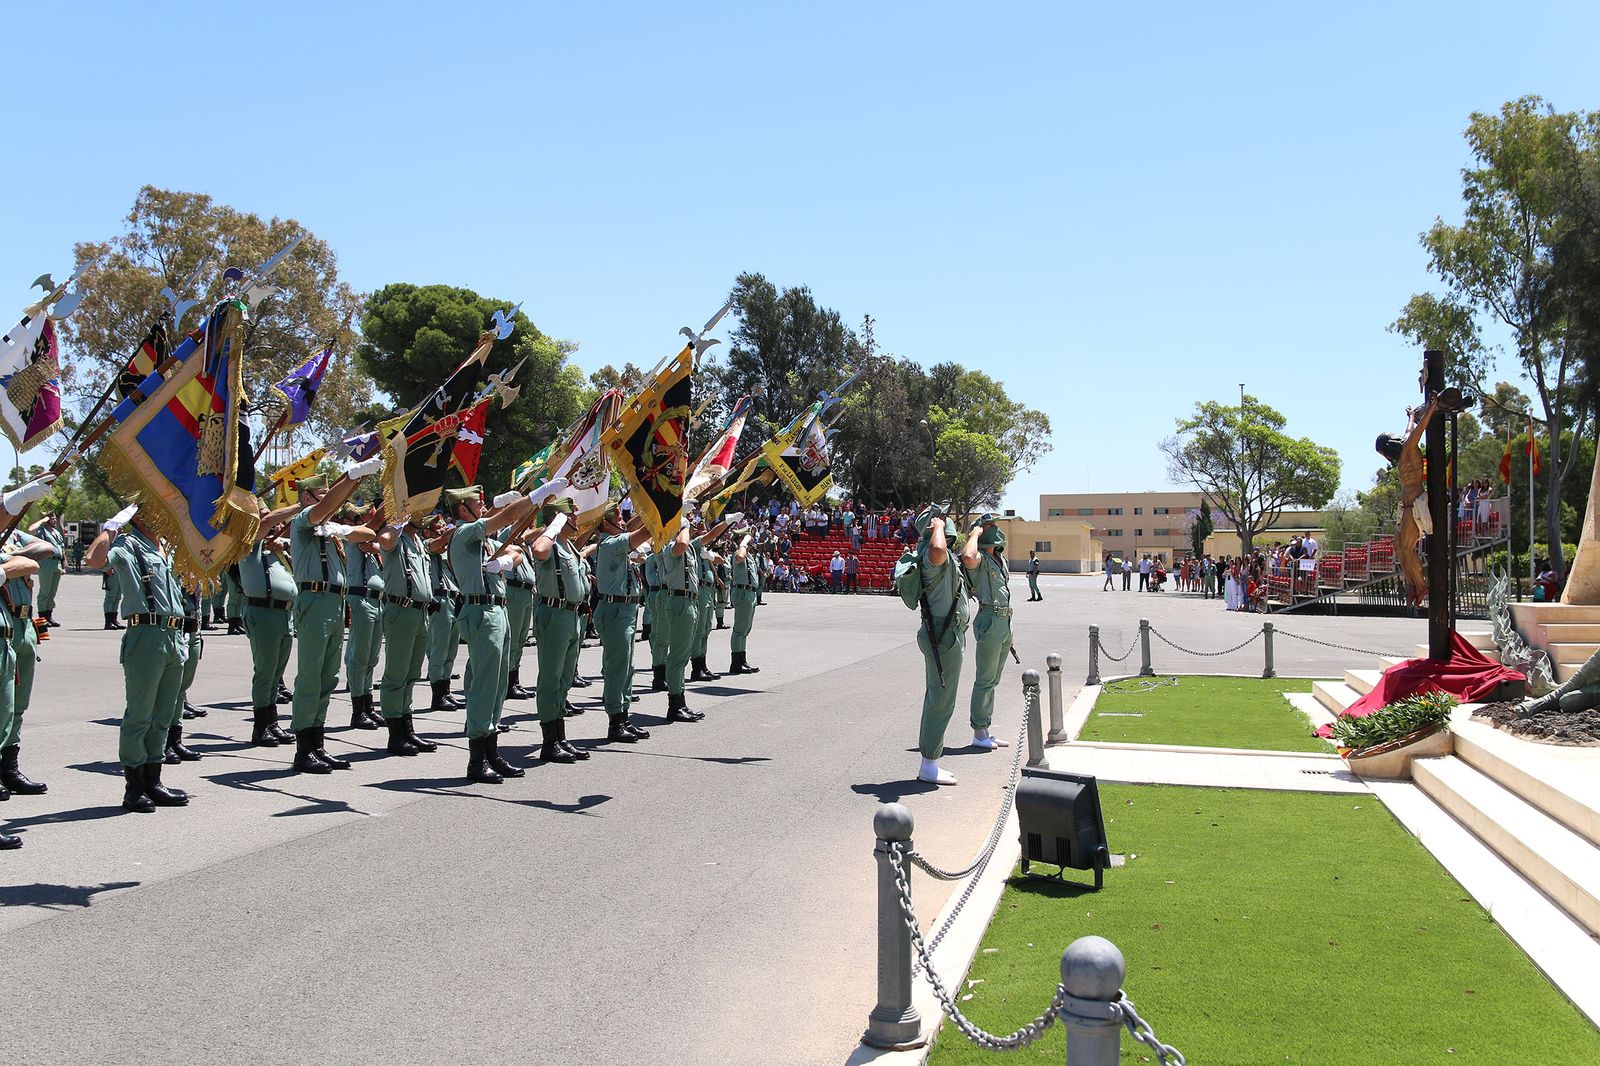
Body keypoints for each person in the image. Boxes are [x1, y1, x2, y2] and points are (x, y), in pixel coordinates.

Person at [85, 503, 190, 814]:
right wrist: (112, 526)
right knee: (140, 715)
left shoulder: (166, 548)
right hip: (146, 636)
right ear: (139, 516)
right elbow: (94, 559)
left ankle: (153, 780)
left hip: (173, 636)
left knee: (164, 715)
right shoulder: (128, 544)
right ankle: (133, 788)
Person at [287, 460, 382, 774]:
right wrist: (354, 476)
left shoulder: (328, 528)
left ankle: (318, 742)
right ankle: (304, 748)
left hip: (335, 602)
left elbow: (369, 532)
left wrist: (342, 528)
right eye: (320, 494)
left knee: (327, 677)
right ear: (306, 498)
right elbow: (330, 505)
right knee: (310, 676)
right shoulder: (304, 520)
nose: (326, 499)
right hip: (313, 601)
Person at [450, 484, 539, 780]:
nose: (484, 507)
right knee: (485, 685)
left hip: (497, 609)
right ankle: (477, 760)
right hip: (480, 610)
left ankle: (491, 752)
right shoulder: (463, 532)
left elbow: (514, 548)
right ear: (464, 509)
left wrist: (506, 560)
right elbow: (503, 518)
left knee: (499, 685)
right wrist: (536, 497)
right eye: (479, 503)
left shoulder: (484, 540)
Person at [527, 489, 591, 764]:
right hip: (554, 614)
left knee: (564, 680)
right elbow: (538, 549)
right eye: (571, 515)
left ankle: (560, 736)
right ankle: (549, 741)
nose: (577, 519)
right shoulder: (550, 544)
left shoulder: (570, 546)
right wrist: (553, 525)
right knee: (551, 679)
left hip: (573, 615)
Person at [912, 504, 968, 785]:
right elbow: (936, 551)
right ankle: (929, 764)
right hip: (943, 636)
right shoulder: (932, 553)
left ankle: (930, 762)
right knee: (940, 700)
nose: (947, 522)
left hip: (948, 634)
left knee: (939, 697)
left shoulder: (945, 554)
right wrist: (936, 528)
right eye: (942, 519)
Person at [590, 500, 653, 744]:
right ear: (606, 524)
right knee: (617, 667)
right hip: (614, 610)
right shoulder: (609, 543)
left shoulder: (616, 542)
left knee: (627, 667)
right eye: (618, 521)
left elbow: (635, 530)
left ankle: (624, 717)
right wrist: (662, 514)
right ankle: (615, 721)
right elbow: (645, 531)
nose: (623, 523)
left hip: (625, 610)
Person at [238, 502, 301, 748]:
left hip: (284, 614)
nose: (269, 518)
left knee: (276, 674)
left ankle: (272, 723)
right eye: (263, 514)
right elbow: (265, 524)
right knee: (265, 673)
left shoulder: (275, 550)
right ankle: (261, 726)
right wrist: (301, 505)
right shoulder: (247, 541)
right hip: (263, 612)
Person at [961, 514, 1013, 753]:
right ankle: (978, 732)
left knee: (994, 680)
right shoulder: (979, 558)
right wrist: (975, 534)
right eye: (991, 525)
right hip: (989, 618)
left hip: (1004, 621)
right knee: (984, 679)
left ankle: (986, 729)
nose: (996, 528)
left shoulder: (999, 559)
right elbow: (968, 556)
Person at [343, 508, 386, 731]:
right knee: (359, 657)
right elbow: (374, 524)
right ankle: (358, 710)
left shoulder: (371, 545)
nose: (367, 523)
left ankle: (368, 705)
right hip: (361, 599)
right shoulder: (352, 537)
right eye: (361, 519)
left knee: (371, 658)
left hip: (377, 601)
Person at [727, 524, 762, 675]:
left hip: (751, 593)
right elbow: (739, 557)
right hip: (742, 593)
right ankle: (735, 663)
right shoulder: (739, 553)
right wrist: (743, 543)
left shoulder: (750, 555)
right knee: (739, 629)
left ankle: (742, 659)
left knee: (745, 629)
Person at [27, 513, 65, 628]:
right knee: (45, 591)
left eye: (54, 518)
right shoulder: (42, 531)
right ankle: (42, 618)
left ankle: (49, 616)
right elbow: (30, 530)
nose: (54, 520)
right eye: (51, 518)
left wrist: (64, 566)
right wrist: (43, 520)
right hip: (46, 563)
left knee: (52, 592)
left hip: (57, 563)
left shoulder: (56, 532)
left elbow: (62, 549)